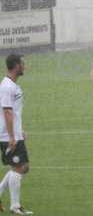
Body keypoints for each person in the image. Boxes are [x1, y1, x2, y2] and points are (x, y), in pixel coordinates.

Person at [0, 54, 33, 215]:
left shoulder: (13, 85)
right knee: (19, 167)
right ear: (16, 66)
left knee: (23, 167)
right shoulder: (7, 87)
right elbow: (6, 112)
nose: (24, 66)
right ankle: (15, 206)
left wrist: (19, 131)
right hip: (8, 137)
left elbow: (14, 112)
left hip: (14, 134)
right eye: (23, 63)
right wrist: (12, 137)